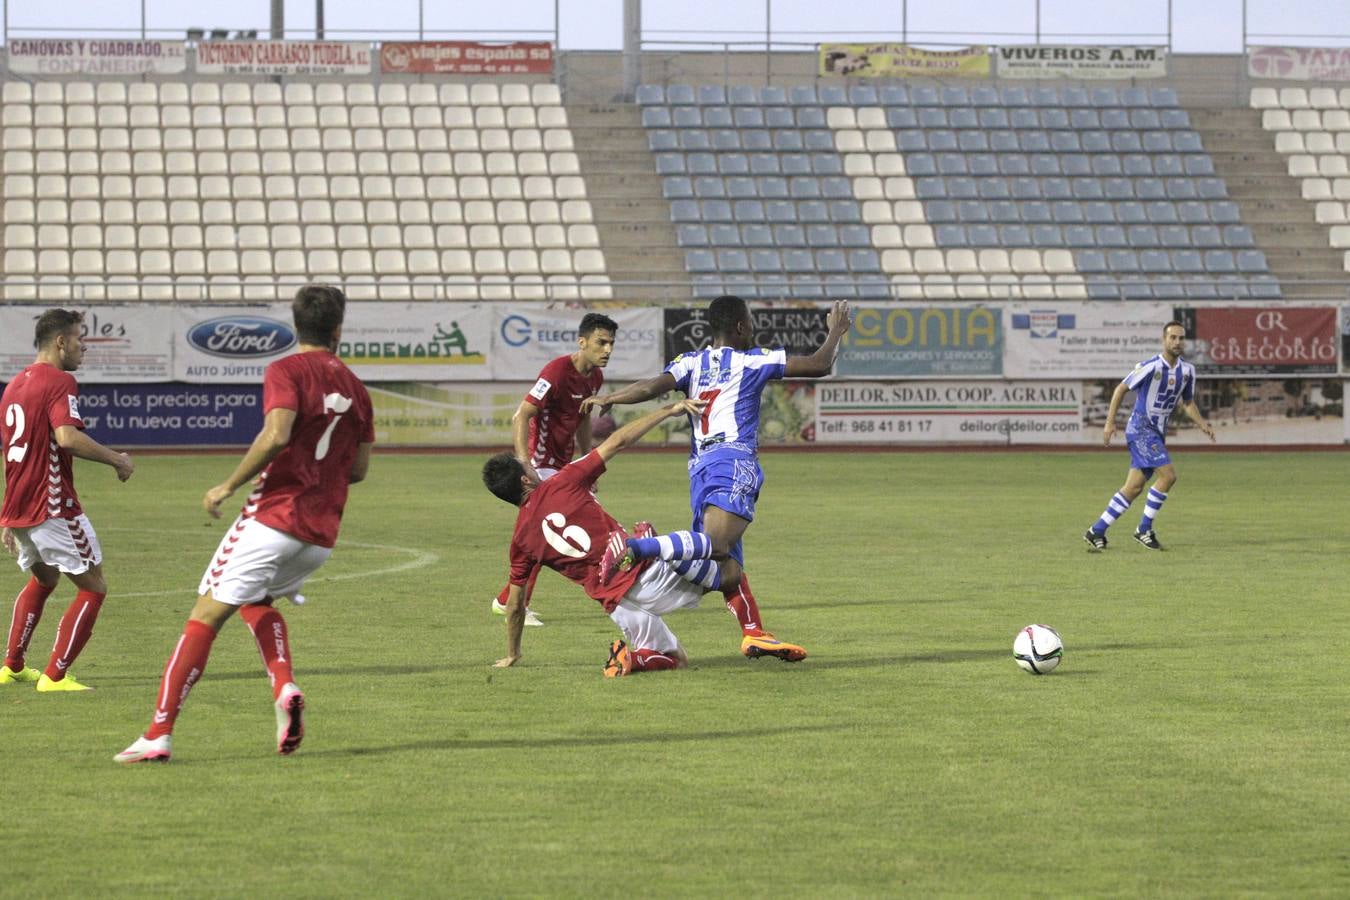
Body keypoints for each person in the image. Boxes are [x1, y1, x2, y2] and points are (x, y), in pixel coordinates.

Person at [115, 284, 374, 763]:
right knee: (255, 600)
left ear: (296, 325)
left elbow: (276, 435)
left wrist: (228, 485)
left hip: (273, 519)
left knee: (203, 618)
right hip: (320, 536)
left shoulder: (285, 369)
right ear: (339, 330)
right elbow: (357, 470)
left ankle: (157, 734)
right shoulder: (358, 389)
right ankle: (284, 686)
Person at [586, 295, 852, 661]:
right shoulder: (752, 359)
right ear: (741, 327)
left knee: (727, 571)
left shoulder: (690, 362)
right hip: (733, 460)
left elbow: (651, 386)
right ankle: (637, 547)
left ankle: (754, 633)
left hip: (701, 469)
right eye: (751, 325)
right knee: (715, 545)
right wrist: (836, 330)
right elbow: (820, 365)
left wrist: (614, 396)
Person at [485, 397, 733, 676]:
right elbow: (617, 442)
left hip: (617, 603)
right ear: (525, 480)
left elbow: (516, 605)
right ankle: (755, 632)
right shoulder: (563, 481)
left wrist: (512, 653)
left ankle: (634, 659)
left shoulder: (521, 542)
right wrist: (667, 410)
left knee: (677, 660)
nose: (532, 466)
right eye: (527, 466)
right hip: (647, 574)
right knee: (730, 570)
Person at [0, 308, 135, 692]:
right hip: (53, 505)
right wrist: (117, 460)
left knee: (44, 578)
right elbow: (67, 438)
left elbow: (15, 452)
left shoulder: (15, 385)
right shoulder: (60, 381)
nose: (84, 346)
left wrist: (9, 514)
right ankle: (55, 676)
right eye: (80, 338)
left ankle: (12, 665)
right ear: (61, 342)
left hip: (22, 505)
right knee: (94, 587)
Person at [489, 312, 617, 627]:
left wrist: (588, 464)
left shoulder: (594, 378)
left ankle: (508, 600)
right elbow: (522, 415)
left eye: (612, 343)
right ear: (582, 341)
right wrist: (525, 462)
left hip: (564, 468)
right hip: (542, 465)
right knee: (546, 533)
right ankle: (614, 590)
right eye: (601, 342)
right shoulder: (557, 371)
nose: (608, 350)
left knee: (550, 534)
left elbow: (584, 418)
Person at [1084, 320, 1215, 552]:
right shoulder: (1151, 366)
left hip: (1156, 433)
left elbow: (1188, 402)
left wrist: (1202, 424)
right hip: (1141, 430)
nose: (1177, 342)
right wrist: (1109, 423)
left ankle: (1097, 530)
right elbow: (1120, 389)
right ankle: (1143, 529)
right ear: (1164, 340)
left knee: (1133, 488)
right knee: (1168, 476)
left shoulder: (1187, 371)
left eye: (1181, 338)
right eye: (1172, 337)